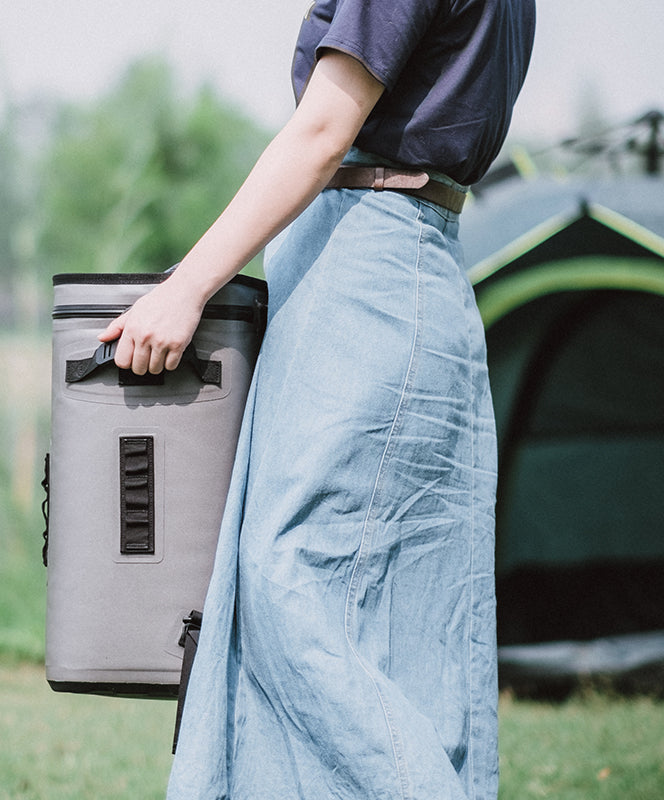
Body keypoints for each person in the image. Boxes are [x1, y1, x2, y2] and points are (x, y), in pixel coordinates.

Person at [100, 1, 535, 797]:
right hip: (415, 257)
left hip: (367, 254)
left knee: (282, 579)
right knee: (406, 621)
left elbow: (321, 130)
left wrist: (187, 286)